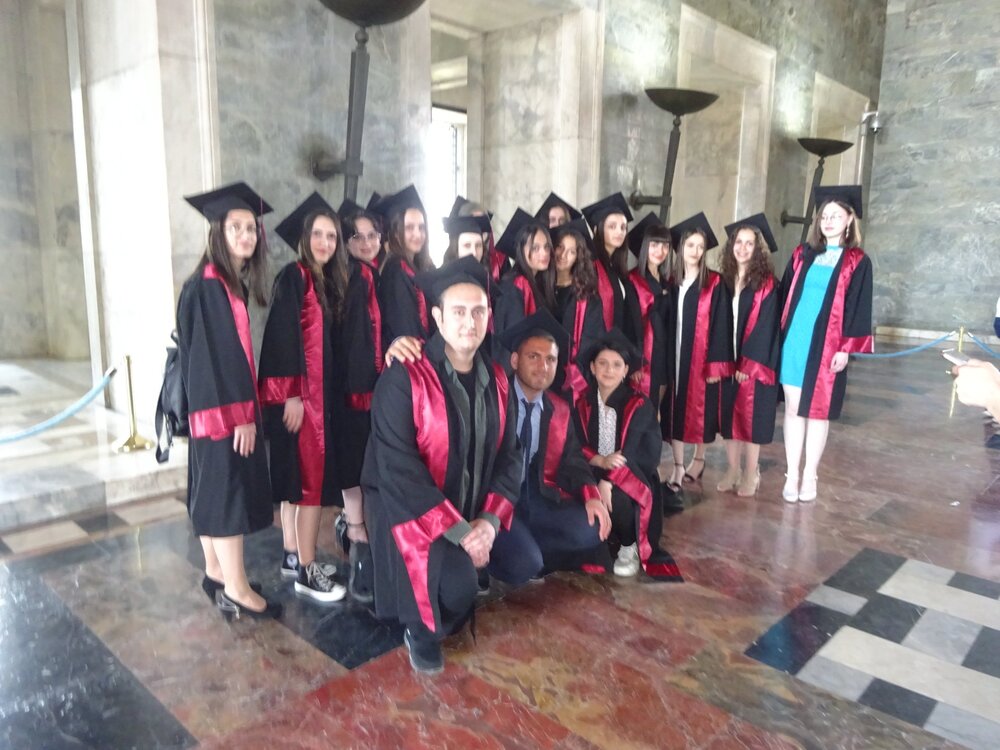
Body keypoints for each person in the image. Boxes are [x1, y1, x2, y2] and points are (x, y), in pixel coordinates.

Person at [361, 256, 522, 675]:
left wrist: (489, 522)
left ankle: (455, 572)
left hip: (467, 510)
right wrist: (461, 532)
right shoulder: (405, 377)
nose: (470, 321)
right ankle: (419, 628)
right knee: (459, 588)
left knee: (522, 562)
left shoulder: (498, 379)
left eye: (478, 311)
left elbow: (512, 455)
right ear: (437, 317)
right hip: (409, 510)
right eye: (459, 311)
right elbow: (398, 470)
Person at [177, 182, 280, 620]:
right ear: (217, 232)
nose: (245, 235)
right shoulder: (209, 287)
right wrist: (242, 417)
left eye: (250, 228)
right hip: (222, 417)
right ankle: (237, 588)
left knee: (213, 492)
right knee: (226, 498)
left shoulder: (220, 282)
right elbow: (215, 361)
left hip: (213, 415)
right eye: (234, 227)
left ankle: (217, 572)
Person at [259, 193, 348, 603]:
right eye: (318, 234)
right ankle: (308, 572)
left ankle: (293, 556)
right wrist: (291, 395)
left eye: (332, 236)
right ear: (304, 238)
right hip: (303, 402)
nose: (325, 242)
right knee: (308, 486)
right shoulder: (294, 277)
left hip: (314, 400)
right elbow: (281, 338)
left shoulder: (318, 281)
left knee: (298, 483)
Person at [487, 311, 612, 585]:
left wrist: (591, 495)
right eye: (533, 356)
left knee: (592, 528)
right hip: (499, 501)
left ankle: (525, 546)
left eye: (551, 359)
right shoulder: (493, 398)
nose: (543, 366)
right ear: (515, 360)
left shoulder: (559, 409)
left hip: (538, 498)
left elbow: (573, 460)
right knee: (525, 565)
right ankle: (515, 552)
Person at [779, 185, 873, 503]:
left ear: (849, 220)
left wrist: (846, 347)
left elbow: (859, 306)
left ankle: (810, 475)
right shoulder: (802, 254)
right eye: (824, 216)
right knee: (794, 409)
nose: (829, 221)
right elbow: (784, 294)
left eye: (836, 216)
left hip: (828, 345)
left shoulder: (857, 261)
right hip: (795, 340)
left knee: (817, 412)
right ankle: (792, 474)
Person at [573, 329, 682, 581]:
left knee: (617, 498)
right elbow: (575, 444)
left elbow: (636, 452)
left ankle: (628, 543)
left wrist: (608, 481)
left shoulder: (639, 404)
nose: (608, 370)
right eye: (602, 363)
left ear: (625, 371)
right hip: (591, 468)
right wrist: (599, 462)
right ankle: (596, 539)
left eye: (616, 365)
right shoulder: (583, 403)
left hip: (631, 474)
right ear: (592, 367)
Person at [667, 213, 734, 492]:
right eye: (690, 245)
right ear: (680, 248)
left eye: (700, 246)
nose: (695, 251)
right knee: (674, 408)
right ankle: (677, 464)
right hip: (673, 354)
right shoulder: (671, 280)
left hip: (700, 357)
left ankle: (699, 458)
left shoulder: (715, 283)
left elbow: (721, 325)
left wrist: (716, 365)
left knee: (699, 409)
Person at [717, 214, 781, 497]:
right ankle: (732, 469)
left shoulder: (767, 284)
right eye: (738, 242)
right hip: (728, 360)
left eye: (749, 243)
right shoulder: (725, 280)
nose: (742, 248)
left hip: (753, 364)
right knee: (728, 418)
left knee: (751, 420)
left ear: (758, 249)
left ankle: (751, 471)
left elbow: (767, 325)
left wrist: (748, 362)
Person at [623, 212, 675, 435]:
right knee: (641, 412)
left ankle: (652, 454)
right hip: (643, 355)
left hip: (663, 355)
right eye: (654, 245)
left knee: (657, 410)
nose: (660, 251)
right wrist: (634, 362)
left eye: (665, 246)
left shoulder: (668, 282)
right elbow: (628, 324)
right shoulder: (632, 280)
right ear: (645, 247)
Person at [550, 219, 604, 402]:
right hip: (538, 374)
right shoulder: (539, 288)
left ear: (578, 257)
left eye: (572, 252)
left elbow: (591, 344)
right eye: (560, 247)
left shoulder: (588, 298)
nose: (563, 255)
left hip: (569, 381)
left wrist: (571, 375)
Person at [492, 209, 556, 364]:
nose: (544, 253)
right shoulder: (515, 286)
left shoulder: (536, 283)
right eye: (535, 248)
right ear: (521, 250)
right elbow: (511, 342)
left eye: (547, 247)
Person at [375, 185, 434, 342]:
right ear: (395, 232)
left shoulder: (415, 266)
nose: (417, 234)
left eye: (421, 227)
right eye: (409, 227)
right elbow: (406, 328)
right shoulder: (396, 271)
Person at [581, 193, 633, 331]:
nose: (619, 232)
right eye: (612, 226)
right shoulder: (589, 265)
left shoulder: (615, 267)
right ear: (596, 229)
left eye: (623, 227)